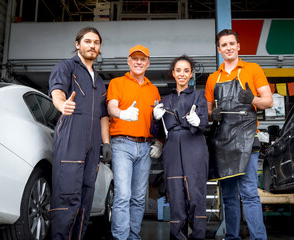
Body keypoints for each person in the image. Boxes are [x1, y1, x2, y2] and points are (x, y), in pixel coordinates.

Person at [205, 29, 273, 240]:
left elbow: (268, 101)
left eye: (232, 43)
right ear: (219, 49)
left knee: (250, 194)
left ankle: (258, 238)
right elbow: (207, 113)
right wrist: (212, 114)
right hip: (222, 141)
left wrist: (252, 99)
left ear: (238, 46)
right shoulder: (212, 78)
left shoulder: (253, 69)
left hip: (246, 138)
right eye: (224, 45)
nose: (228, 48)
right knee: (228, 196)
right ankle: (232, 237)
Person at [48, 27, 112, 240]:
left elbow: (103, 114)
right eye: (87, 41)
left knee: (86, 197)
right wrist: (61, 104)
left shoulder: (100, 80)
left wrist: (106, 143)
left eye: (96, 42)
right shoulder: (66, 67)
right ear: (78, 44)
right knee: (67, 195)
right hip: (71, 136)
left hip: (93, 144)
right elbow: (57, 90)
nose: (92, 45)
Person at [106, 45, 162, 240]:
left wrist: (160, 143)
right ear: (128, 61)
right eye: (134, 58)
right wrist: (122, 113)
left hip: (146, 147)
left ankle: (133, 237)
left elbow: (158, 121)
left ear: (148, 63)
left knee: (139, 198)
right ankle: (120, 237)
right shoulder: (117, 82)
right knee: (123, 195)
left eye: (143, 59)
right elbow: (112, 107)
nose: (138, 62)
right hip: (122, 144)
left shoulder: (154, 89)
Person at [152, 55, 209, 240]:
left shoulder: (199, 96)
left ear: (191, 74)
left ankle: (198, 236)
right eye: (178, 70)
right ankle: (177, 237)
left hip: (194, 145)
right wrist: (155, 118)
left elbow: (204, 123)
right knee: (176, 195)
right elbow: (157, 131)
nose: (182, 74)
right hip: (172, 149)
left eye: (186, 70)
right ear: (173, 73)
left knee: (195, 194)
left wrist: (198, 121)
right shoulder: (165, 99)